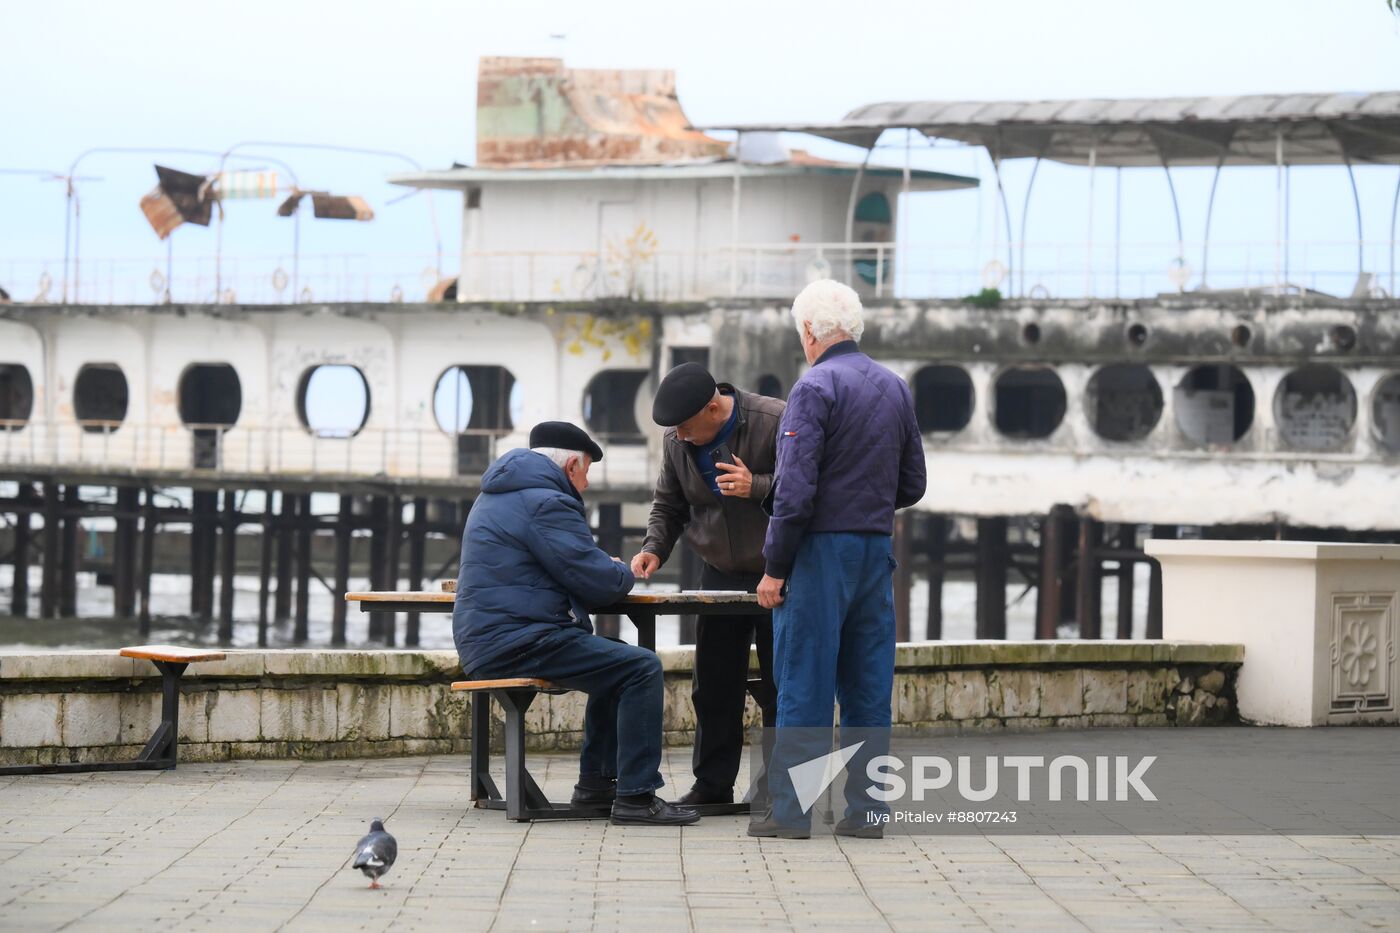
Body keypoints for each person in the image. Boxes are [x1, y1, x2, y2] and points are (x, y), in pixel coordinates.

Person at [453, 420, 699, 827]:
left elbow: (567, 566)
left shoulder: (496, 494)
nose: (585, 484)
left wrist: (596, 569)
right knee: (641, 667)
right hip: (519, 640)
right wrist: (619, 570)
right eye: (586, 471)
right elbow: (597, 581)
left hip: (491, 637)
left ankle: (596, 790)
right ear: (571, 466)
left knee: (615, 665)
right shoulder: (547, 502)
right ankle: (637, 796)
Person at [750, 280, 927, 839]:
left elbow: (793, 492)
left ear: (809, 332)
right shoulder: (895, 387)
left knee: (803, 679)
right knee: (868, 684)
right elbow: (914, 483)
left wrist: (775, 566)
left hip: (820, 552)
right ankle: (868, 812)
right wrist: (866, 502)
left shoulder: (814, 387)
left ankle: (790, 813)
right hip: (876, 549)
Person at [631, 363, 785, 806]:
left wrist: (754, 486)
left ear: (714, 408)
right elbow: (669, 504)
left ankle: (780, 789)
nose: (679, 435)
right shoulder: (677, 440)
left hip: (777, 570)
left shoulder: (775, 421)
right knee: (714, 682)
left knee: (782, 683)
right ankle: (712, 786)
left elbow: (807, 486)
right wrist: (654, 548)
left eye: (684, 426)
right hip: (717, 570)